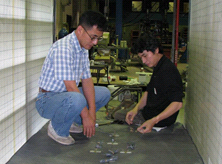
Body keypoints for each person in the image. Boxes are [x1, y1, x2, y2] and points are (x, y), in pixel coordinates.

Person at [36, 10, 111, 145]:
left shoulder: (83, 49)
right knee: (77, 98)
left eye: (98, 39)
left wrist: (92, 113)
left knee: (104, 93)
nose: (95, 42)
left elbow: (87, 81)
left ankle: (69, 121)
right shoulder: (64, 48)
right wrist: (86, 116)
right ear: (80, 30)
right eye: (93, 37)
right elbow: (71, 87)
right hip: (47, 100)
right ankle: (57, 128)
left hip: (66, 97)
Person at [124, 34, 183, 133]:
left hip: (158, 121)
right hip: (148, 114)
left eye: (145, 56)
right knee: (124, 113)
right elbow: (148, 92)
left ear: (156, 50)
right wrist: (136, 109)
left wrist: (153, 121)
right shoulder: (158, 66)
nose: (143, 61)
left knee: (118, 116)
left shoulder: (168, 70)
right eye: (141, 57)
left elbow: (177, 104)